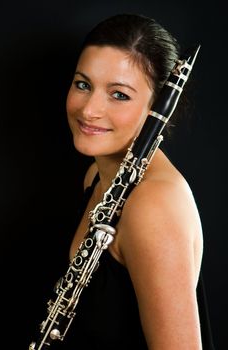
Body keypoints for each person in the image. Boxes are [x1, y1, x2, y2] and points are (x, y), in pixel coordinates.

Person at [54, 13, 215, 349]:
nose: (89, 110)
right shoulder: (97, 174)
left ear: (158, 108)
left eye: (120, 95)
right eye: (83, 84)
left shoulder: (153, 205)